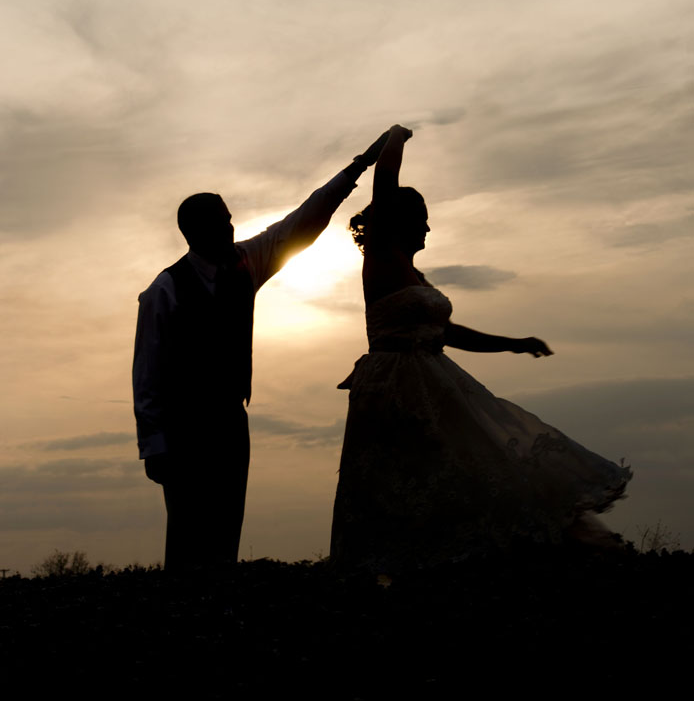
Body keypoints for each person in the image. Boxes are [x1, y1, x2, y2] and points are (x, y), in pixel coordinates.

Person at [330, 125, 632, 571]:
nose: (429, 224)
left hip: (435, 380)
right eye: (422, 217)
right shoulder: (382, 261)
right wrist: (395, 140)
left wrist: (514, 344)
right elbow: (385, 184)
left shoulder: (417, 278)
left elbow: (450, 333)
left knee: (477, 464)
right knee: (403, 478)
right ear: (398, 221)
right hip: (394, 385)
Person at [133, 131, 388, 572]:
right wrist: (153, 444)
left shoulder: (247, 262)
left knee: (227, 525)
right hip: (184, 428)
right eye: (221, 221)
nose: (231, 227)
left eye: (230, 219)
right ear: (194, 232)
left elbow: (302, 221)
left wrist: (359, 166)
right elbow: (148, 372)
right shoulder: (164, 290)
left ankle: (221, 612)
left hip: (232, 418)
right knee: (189, 531)